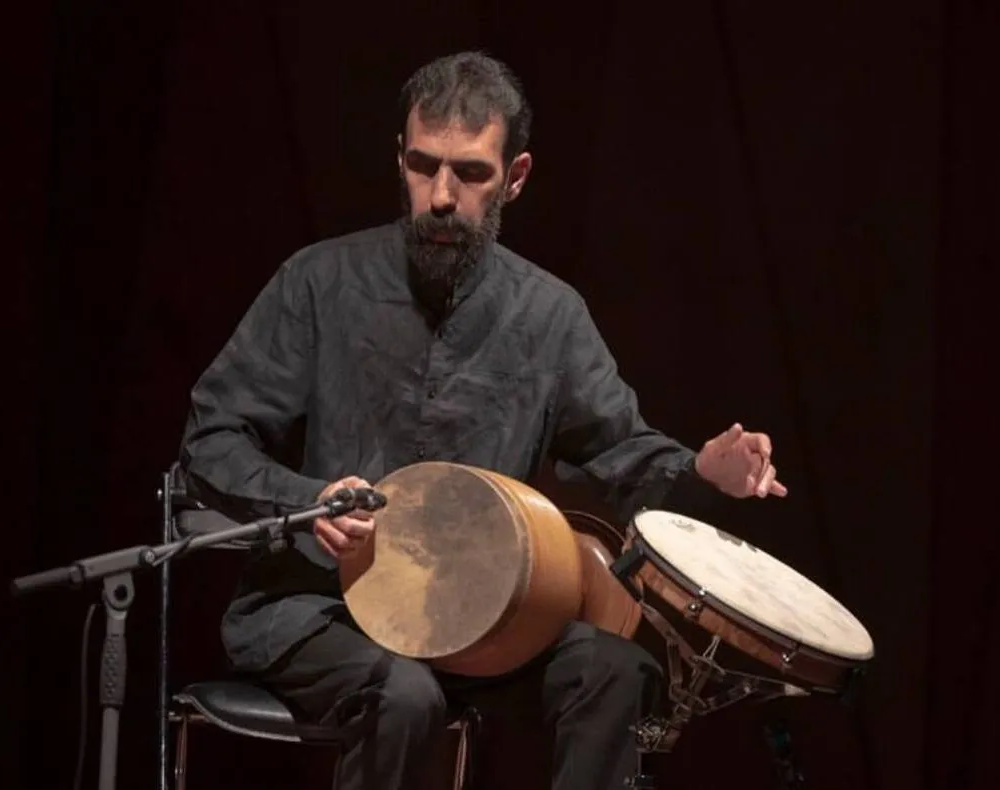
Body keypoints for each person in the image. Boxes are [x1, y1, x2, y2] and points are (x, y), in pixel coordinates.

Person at [178, 51, 787, 790]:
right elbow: (212, 440)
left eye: (470, 173)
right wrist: (308, 503)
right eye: (422, 166)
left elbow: (623, 452)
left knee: (615, 670)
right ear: (399, 158)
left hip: (482, 624)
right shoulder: (317, 281)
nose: (440, 196)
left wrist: (703, 472)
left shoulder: (550, 316)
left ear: (515, 176)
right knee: (405, 695)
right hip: (321, 609)